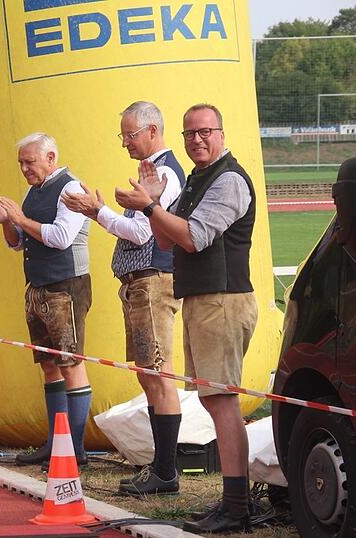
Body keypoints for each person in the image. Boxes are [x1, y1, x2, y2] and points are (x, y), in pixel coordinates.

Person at [115, 104, 257, 533]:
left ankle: (236, 504)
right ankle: (231, 501)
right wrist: (152, 206)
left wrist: (150, 207)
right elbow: (164, 237)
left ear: (221, 133)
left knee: (222, 402)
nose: (196, 139)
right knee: (215, 401)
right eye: (190, 133)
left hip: (223, 300)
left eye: (205, 132)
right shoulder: (197, 178)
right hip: (201, 299)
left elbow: (193, 238)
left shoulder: (228, 179)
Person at [62, 101, 184, 497]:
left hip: (152, 280)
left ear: (152, 131)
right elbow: (137, 227)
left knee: (157, 373)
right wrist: (105, 212)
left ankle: (166, 471)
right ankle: (161, 467)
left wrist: (98, 212)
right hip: (138, 282)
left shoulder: (164, 173)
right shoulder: (154, 172)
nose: (126, 144)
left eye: (129, 135)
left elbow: (142, 234)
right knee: (148, 373)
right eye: (123, 136)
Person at [0, 132, 93, 467]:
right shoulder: (35, 191)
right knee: (49, 366)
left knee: (71, 364)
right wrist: (6, 223)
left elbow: (61, 238)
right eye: (21, 163)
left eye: (29, 162)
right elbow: (18, 242)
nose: (24, 168)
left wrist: (18, 218)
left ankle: (74, 449)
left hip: (66, 286)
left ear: (51, 158)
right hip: (38, 286)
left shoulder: (71, 189)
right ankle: (56, 442)